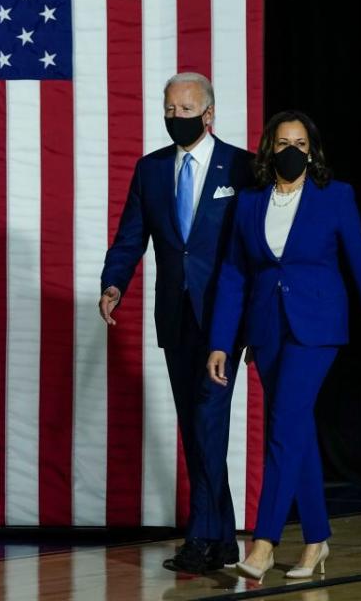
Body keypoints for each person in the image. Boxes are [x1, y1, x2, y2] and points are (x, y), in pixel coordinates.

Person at [206, 110, 361, 580]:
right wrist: (221, 343)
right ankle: (316, 541)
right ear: (268, 150)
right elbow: (234, 276)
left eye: (299, 142)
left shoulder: (335, 197)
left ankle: (263, 542)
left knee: (282, 426)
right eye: (281, 143)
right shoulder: (250, 203)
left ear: (311, 150)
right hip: (267, 330)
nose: (290, 150)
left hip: (317, 329)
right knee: (295, 432)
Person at [100, 72, 253, 574]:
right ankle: (224, 541)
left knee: (208, 422)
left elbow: (255, 247)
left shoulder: (243, 167)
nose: (175, 118)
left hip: (224, 320)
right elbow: (130, 237)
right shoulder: (150, 170)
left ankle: (201, 538)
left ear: (208, 114)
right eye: (168, 110)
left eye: (184, 110)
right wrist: (114, 283)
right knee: (195, 428)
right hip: (175, 316)